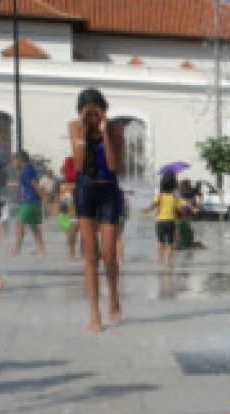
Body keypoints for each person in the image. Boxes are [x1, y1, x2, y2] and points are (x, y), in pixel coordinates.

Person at [68, 88, 125, 332]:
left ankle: (112, 295)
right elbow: (79, 164)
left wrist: (104, 133)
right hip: (85, 191)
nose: (92, 116)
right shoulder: (74, 127)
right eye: (87, 112)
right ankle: (94, 312)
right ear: (80, 112)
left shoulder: (114, 129)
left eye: (96, 111)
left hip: (109, 191)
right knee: (91, 256)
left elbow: (113, 165)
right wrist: (82, 131)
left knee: (109, 254)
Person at [12, 151, 47, 256]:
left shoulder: (26, 170)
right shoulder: (29, 168)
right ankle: (41, 250)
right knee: (34, 226)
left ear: (20, 160)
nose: (13, 163)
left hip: (29, 201)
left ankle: (16, 250)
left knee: (19, 225)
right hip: (34, 201)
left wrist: (44, 196)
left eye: (14, 160)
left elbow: (34, 184)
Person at [143, 171, 180, 269]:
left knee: (161, 243)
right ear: (173, 185)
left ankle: (159, 261)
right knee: (170, 244)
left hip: (160, 222)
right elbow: (176, 211)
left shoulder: (159, 195)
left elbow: (154, 204)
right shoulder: (174, 197)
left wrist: (147, 209)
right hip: (171, 221)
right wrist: (176, 227)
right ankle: (169, 263)